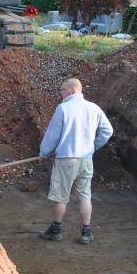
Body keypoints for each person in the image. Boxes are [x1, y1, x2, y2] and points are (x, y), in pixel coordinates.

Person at [37, 77, 113, 245]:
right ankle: (86, 232)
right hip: (86, 159)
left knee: (61, 197)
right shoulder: (94, 108)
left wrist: (44, 152)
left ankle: (56, 230)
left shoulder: (63, 108)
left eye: (63, 89)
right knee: (85, 196)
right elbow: (108, 130)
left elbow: (53, 134)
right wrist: (93, 146)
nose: (61, 93)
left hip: (66, 159)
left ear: (72, 90)